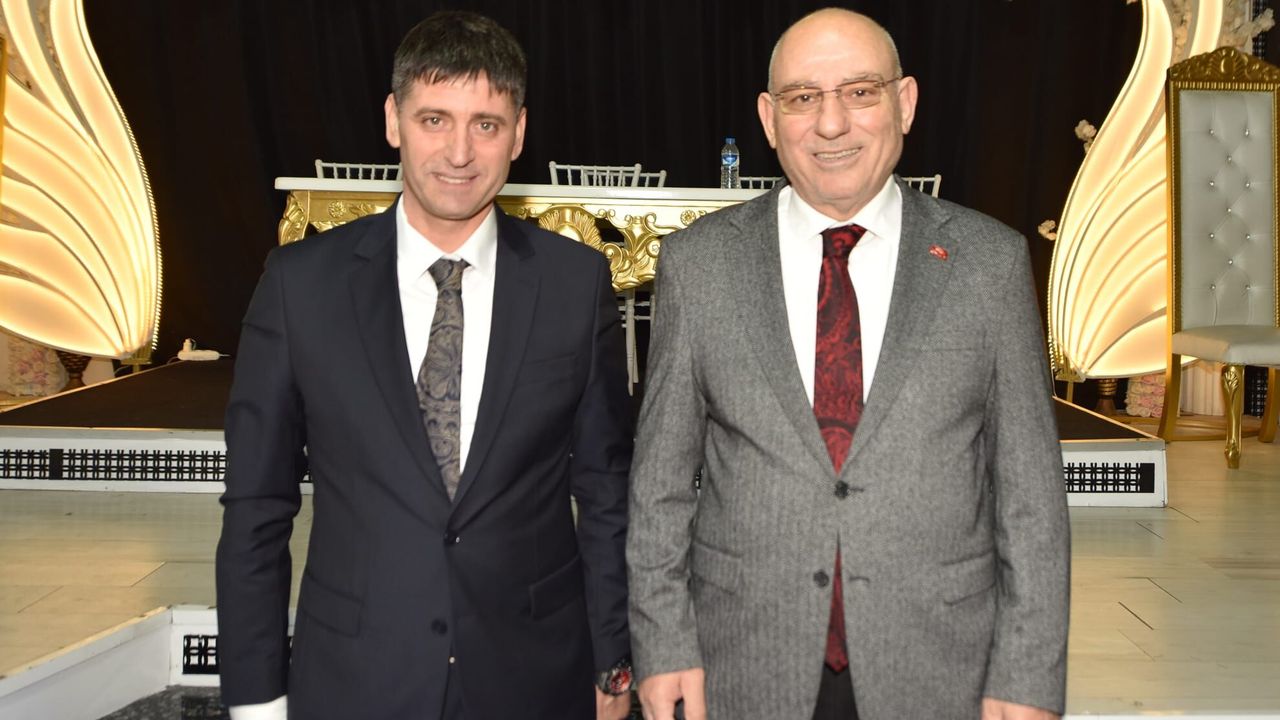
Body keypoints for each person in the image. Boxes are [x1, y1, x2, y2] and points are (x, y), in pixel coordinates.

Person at [627, 8, 1069, 720]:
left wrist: (1027, 677)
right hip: (742, 664)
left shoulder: (989, 263)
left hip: (941, 666)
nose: (831, 124)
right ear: (769, 120)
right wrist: (663, 645)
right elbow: (659, 486)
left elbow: (1031, 498)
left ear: (905, 102)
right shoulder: (700, 265)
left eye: (860, 92)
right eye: (803, 97)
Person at [215, 11, 633, 720]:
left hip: (536, 679)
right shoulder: (300, 286)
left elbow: (606, 491)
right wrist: (256, 699)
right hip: (355, 679)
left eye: (486, 124)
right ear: (393, 121)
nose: (459, 152)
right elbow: (257, 506)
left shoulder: (574, 283)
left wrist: (614, 661)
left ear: (519, 133)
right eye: (434, 119)